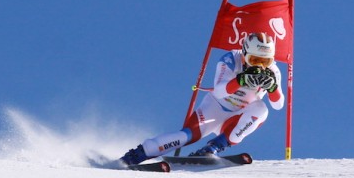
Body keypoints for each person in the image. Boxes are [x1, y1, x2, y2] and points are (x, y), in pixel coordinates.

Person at [118, 32, 284, 166]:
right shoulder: (231, 60)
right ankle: (135, 156)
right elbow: (219, 91)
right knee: (185, 137)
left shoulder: (273, 72)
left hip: (236, 118)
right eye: (255, 60)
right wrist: (241, 80)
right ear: (245, 53)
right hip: (215, 108)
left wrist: (273, 88)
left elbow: (278, 105)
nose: (260, 66)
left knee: (261, 109)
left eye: (265, 61)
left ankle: (213, 147)